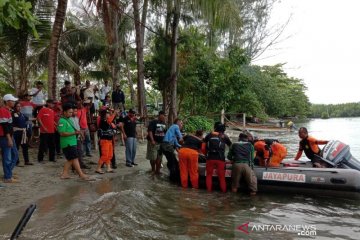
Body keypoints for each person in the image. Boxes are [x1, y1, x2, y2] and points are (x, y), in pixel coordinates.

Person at [57, 103, 90, 180]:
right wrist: (74, 133)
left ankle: (65, 174)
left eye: (72, 112)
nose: (71, 114)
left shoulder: (68, 120)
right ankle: (81, 174)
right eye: (70, 112)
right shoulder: (62, 121)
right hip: (68, 143)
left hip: (72, 142)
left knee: (71, 159)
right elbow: (62, 133)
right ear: (64, 112)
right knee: (74, 158)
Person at [204, 122, 232, 193]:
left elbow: (203, 143)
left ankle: (208, 191)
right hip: (220, 159)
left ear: (215, 128)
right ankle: (223, 192)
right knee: (222, 177)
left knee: (209, 175)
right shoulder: (224, 136)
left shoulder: (210, 135)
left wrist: (205, 154)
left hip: (210, 158)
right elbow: (231, 146)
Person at [0, 94, 19, 183]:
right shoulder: (3, 110)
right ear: (7, 101)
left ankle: (8, 173)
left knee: (14, 155)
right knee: (8, 157)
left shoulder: (8, 110)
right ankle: (7, 177)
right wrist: (9, 138)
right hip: (5, 137)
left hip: (9, 136)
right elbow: (5, 126)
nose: (14, 102)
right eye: (13, 100)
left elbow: (8, 125)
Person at [160, 118, 184, 183]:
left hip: (166, 146)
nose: (182, 124)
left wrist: (182, 146)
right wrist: (184, 141)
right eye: (181, 123)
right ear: (178, 122)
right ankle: (172, 180)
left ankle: (172, 176)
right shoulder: (175, 126)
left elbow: (176, 143)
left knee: (174, 162)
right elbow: (180, 137)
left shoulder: (173, 130)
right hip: (167, 145)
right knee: (173, 163)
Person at [95, 107, 117, 174]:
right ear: (104, 115)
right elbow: (109, 120)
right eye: (107, 114)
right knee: (104, 155)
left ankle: (108, 168)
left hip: (109, 140)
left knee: (110, 155)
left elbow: (113, 126)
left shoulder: (108, 121)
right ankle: (98, 168)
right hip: (104, 141)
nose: (109, 115)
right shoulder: (103, 121)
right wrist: (114, 113)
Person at [12, 102, 32, 166]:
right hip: (16, 133)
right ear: (15, 107)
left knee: (25, 147)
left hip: (23, 133)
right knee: (16, 147)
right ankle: (16, 162)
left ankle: (27, 161)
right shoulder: (12, 114)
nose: (19, 107)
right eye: (18, 106)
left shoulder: (22, 114)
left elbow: (28, 118)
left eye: (20, 106)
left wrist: (38, 118)